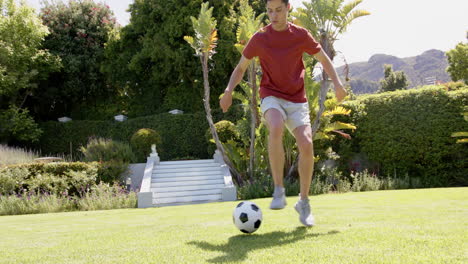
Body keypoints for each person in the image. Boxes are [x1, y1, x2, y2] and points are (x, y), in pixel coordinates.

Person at [220, 0, 347, 227]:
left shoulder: (300, 35)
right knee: (276, 126)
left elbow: (323, 59)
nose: (273, 15)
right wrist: (229, 90)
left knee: (307, 144)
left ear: (288, 8)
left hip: (297, 100)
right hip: (271, 95)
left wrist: (337, 83)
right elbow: (240, 68)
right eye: (269, 11)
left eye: (278, 10)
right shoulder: (260, 38)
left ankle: (304, 202)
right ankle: (279, 189)